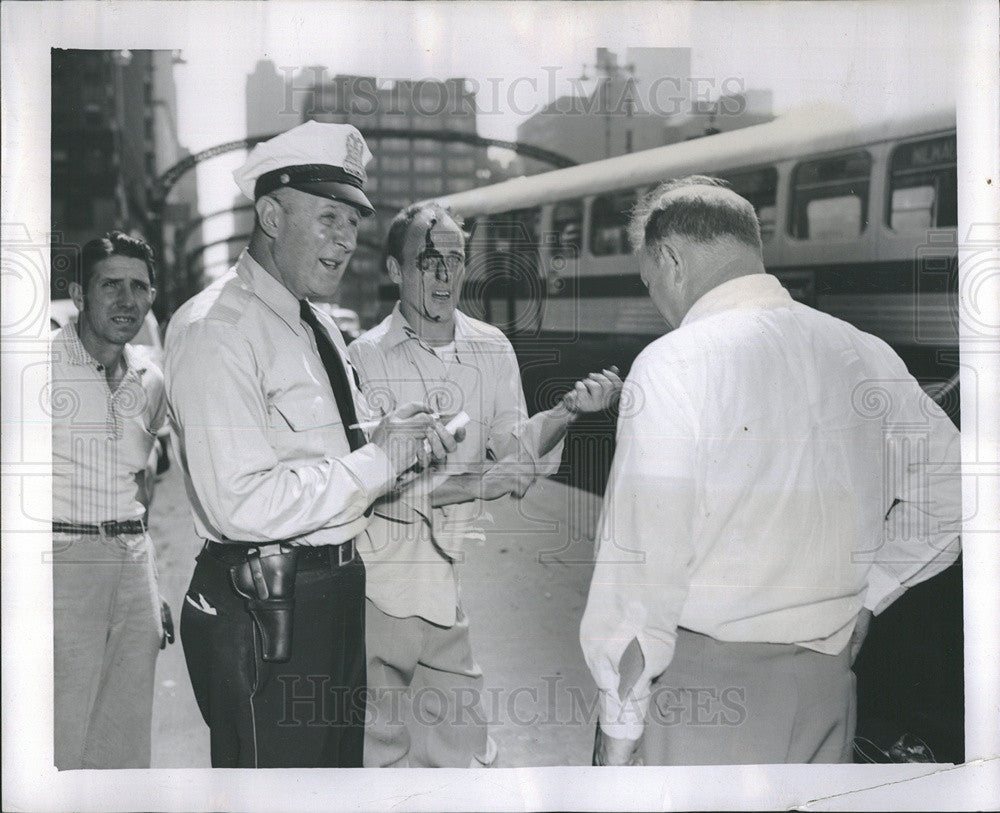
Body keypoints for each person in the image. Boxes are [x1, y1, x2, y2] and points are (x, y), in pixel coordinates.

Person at [579, 176, 962, 766]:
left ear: (672, 261)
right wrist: (874, 592)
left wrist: (617, 738)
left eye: (649, 282)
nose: (658, 303)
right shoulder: (868, 353)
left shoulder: (673, 364)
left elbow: (640, 580)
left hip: (703, 704)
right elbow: (957, 491)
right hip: (827, 700)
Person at [163, 122, 462, 768]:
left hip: (332, 596)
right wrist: (379, 460)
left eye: (353, 223)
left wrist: (391, 434)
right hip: (265, 607)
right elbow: (240, 501)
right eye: (329, 218)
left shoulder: (313, 322)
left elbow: (328, 452)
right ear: (270, 214)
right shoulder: (216, 329)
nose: (346, 240)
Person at [348, 202, 621, 768]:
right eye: (429, 261)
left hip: (442, 586)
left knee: (462, 752)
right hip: (378, 586)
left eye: (455, 259)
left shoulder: (492, 347)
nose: (446, 276)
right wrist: (484, 480)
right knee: (378, 756)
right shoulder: (365, 357)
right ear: (396, 272)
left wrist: (567, 413)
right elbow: (385, 485)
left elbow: (514, 451)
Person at [51, 231, 174, 769]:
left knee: (125, 748)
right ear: (80, 293)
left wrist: (154, 584)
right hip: (61, 562)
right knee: (59, 742)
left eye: (140, 287)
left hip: (133, 565)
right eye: (111, 286)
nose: (128, 300)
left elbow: (143, 486)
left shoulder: (151, 379)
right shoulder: (35, 366)